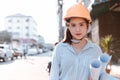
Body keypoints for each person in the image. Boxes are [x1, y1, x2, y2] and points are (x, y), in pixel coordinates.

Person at [50, 2, 118, 80]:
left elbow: (102, 75)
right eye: (73, 25)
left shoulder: (95, 50)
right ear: (68, 27)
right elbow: (53, 77)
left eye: (81, 24)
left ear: (87, 26)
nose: (78, 29)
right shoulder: (60, 48)